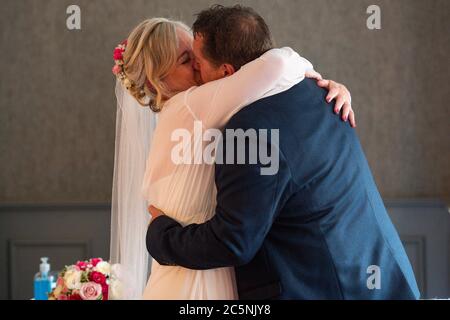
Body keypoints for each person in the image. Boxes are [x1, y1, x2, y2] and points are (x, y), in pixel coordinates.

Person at [146, 5, 420, 300]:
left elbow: (233, 241)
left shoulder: (248, 132)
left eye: (197, 63)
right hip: (384, 276)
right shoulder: (319, 89)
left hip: (324, 287)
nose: (195, 74)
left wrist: (161, 235)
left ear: (226, 71)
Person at [111, 8, 354, 299]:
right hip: (193, 277)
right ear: (155, 82)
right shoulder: (188, 106)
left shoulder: (190, 110)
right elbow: (275, 66)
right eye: (187, 60)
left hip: (195, 263)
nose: (199, 67)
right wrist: (309, 74)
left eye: (197, 57)